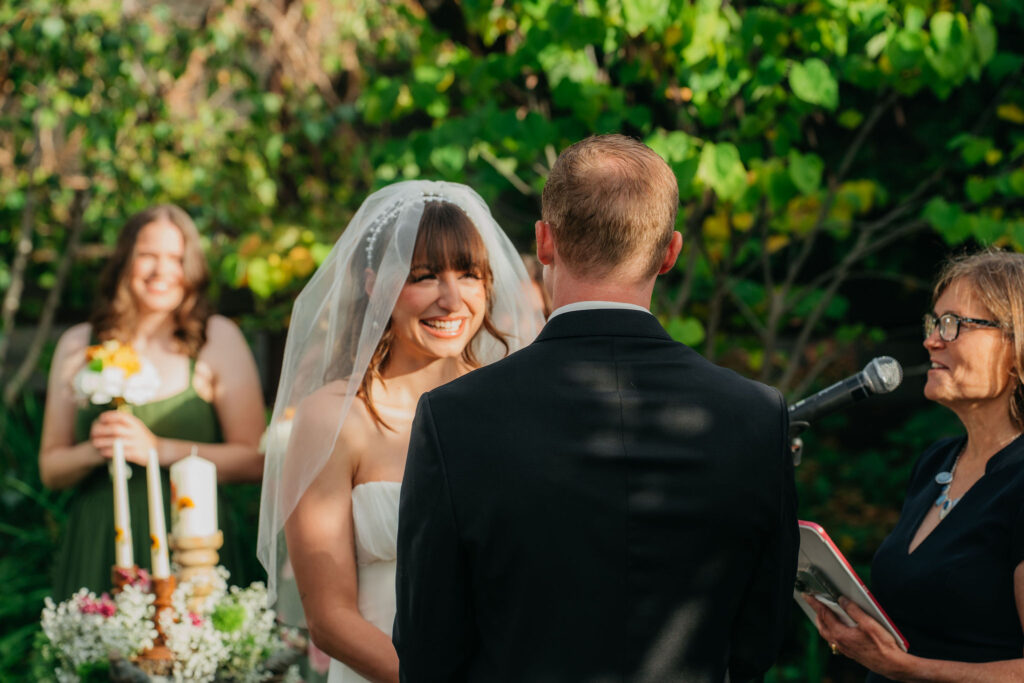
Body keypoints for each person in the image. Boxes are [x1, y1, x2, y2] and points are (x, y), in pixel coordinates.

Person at [394, 134, 799, 682]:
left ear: (544, 241)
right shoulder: (755, 416)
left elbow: (427, 646)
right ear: (671, 252)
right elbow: (762, 634)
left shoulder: (455, 416)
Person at [256, 180, 542, 683]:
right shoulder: (334, 419)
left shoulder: (509, 407)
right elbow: (328, 617)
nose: (452, 300)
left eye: (470, 275)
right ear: (376, 283)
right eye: (426, 277)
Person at [807, 250, 1024, 682]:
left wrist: (906, 669)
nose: (932, 340)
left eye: (954, 325)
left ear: (1018, 348)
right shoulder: (937, 462)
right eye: (934, 323)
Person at [39, 204, 266, 600]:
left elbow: (255, 460)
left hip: (192, 541)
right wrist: (98, 450)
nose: (161, 272)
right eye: (147, 256)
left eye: (176, 259)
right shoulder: (78, 344)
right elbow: (50, 469)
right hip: (99, 541)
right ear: (124, 260)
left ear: (191, 268)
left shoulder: (217, 339)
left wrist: (159, 449)